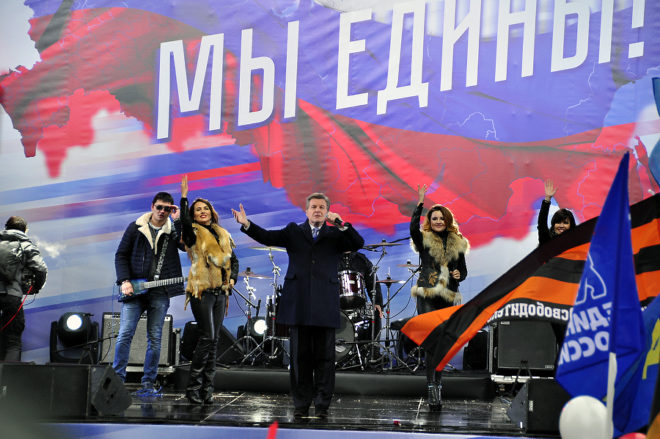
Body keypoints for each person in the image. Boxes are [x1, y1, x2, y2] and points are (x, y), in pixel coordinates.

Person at [232, 193, 364, 421]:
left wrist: (341, 223)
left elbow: (358, 243)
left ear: (327, 211)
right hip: (299, 302)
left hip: (324, 303)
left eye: (321, 207)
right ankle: (301, 405)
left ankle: (322, 406)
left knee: (325, 359)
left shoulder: (336, 234)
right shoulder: (294, 231)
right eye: (313, 207)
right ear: (306, 210)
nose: (317, 210)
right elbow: (267, 236)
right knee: (299, 359)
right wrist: (247, 224)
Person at [114, 192, 184, 396]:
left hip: (160, 291)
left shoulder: (172, 230)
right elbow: (121, 255)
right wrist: (124, 281)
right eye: (159, 207)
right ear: (152, 206)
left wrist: (178, 221)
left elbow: (185, 245)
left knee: (155, 338)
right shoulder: (135, 227)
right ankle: (116, 380)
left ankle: (148, 383)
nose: (162, 212)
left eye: (167, 209)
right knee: (125, 334)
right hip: (135, 289)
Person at [180, 175, 238, 404]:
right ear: (193, 215)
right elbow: (184, 224)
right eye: (198, 210)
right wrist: (184, 198)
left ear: (211, 212)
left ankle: (207, 389)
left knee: (214, 342)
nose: (202, 212)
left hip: (220, 293)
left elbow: (234, 260)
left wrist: (232, 279)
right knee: (207, 337)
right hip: (201, 291)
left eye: (205, 208)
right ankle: (193, 388)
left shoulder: (223, 233)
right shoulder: (192, 232)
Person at [411, 184, 469, 411]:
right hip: (427, 293)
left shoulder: (458, 242)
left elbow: (463, 270)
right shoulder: (423, 239)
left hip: (448, 296)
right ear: (429, 221)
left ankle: (438, 385)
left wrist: (459, 274)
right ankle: (432, 388)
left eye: (441, 218)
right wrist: (420, 204)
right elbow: (413, 229)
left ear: (447, 220)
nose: (437, 221)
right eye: (434, 218)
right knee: (431, 341)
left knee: (442, 343)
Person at [0, 216, 48, 361]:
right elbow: (41, 269)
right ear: (25, 230)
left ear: (6, 227)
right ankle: (9, 376)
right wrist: (35, 287)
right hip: (12, 296)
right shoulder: (26, 245)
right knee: (13, 341)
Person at [537, 179, 576, 245]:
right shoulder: (547, 241)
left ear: (571, 225)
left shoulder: (577, 243)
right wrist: (547, 200)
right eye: (558, 222)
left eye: (565, 223)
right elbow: (542, 225)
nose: (561, 226)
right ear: (553, 225)